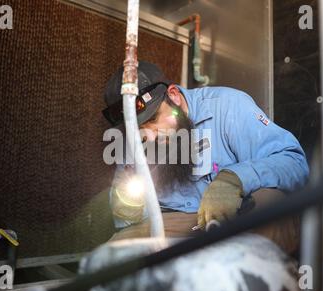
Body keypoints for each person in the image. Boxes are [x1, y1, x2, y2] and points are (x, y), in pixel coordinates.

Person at [102, 61, 309, 242]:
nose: (152, 136)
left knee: (271, 208)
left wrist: (234, 180)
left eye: (154, 119)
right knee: (116, 252)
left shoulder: (227, 106)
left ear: (173, 96)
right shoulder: (134, 141)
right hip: (177, 222)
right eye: (139, 130)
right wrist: (127, 207)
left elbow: (293, 162)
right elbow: (127, 218)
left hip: (236, 216)